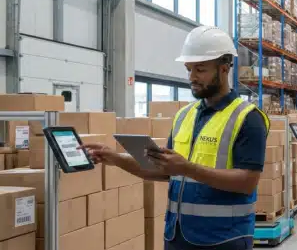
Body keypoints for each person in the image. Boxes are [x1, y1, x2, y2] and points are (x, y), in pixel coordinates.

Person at [82, 26, 269, 250]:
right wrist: (114, 157)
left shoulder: (248, 118)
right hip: (177, 236)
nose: (192, 77)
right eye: (188, 69)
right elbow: (165, 171)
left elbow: (247, 182)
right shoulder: (184, 116)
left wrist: (187, 168)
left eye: (200, 70)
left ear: (224, 69)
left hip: (224, 238)